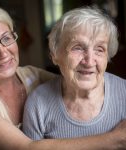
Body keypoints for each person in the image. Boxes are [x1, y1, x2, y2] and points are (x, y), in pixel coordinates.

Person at [0, 3, 126, 150]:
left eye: (6, 38)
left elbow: (70, 79)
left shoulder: (32, 75)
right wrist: (115, 139)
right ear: (54, 55)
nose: (3, 53)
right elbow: (27, 147)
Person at [23, 6, 126, 148]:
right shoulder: (38, 104)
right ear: (55, 55)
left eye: (99, 49)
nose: (89, 61)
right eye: (77, 47)